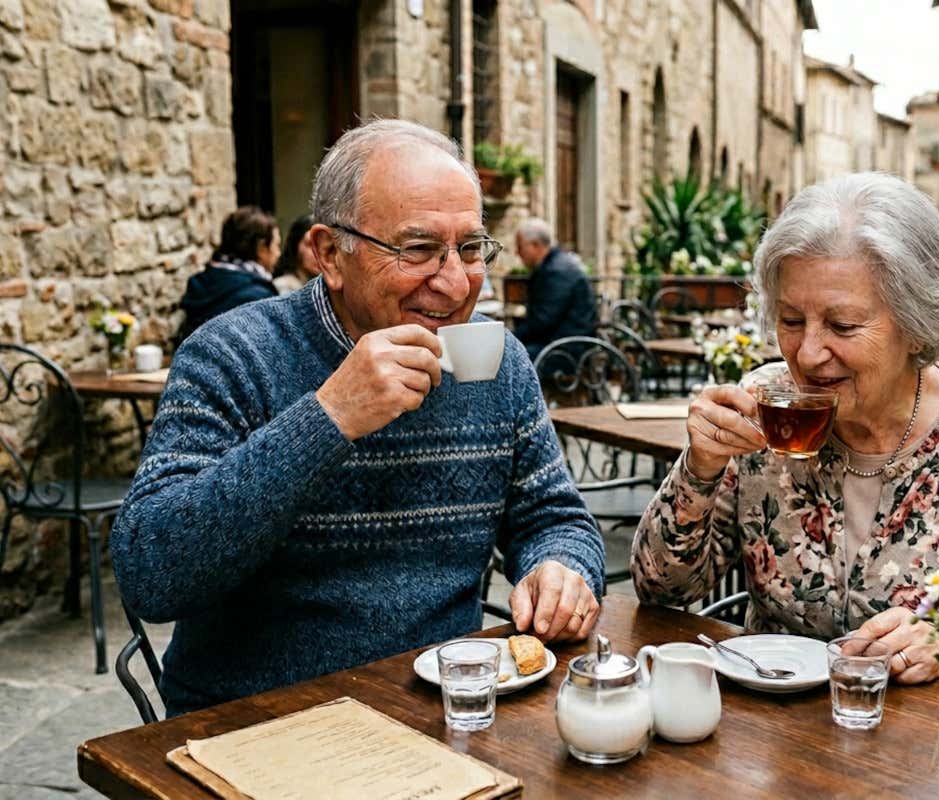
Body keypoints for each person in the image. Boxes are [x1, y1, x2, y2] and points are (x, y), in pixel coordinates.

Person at [112, 120, 605, 716]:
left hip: (443, 705)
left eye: (471, 249)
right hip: (255, 717)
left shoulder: (499, 366)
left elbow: (556, 518)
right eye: (418, 249)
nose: (454, 283)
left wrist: (562, 567)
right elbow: (152, 573)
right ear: (329, 254)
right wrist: (329, 417)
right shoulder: (233, 354)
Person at [631, 172, 939, 685]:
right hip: (774, 742)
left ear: (915, 324)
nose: (809, 353)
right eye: (791, 320)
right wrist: (698, 470)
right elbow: (661, 592)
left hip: (919, 752)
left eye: (843, 326)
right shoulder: (766, 407)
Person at [177, 206, 280, 343]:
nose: (278, 254)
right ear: (261, 248)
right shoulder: (258, 298)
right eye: (276, 245)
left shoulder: (201, 284)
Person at [512, 219, 597, 360]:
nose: (517, 253)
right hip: (560, 344)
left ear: (535, 245)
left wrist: (509, 338)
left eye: (520, 247)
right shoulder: (554, 265)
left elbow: (542, 321)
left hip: (565, 351)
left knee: (508, 360)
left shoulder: (556, 271)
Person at [273, 214, 320, 295]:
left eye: (324, 246)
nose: (319, 253)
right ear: (295, 246)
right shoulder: (282, 286)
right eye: (310, 244)